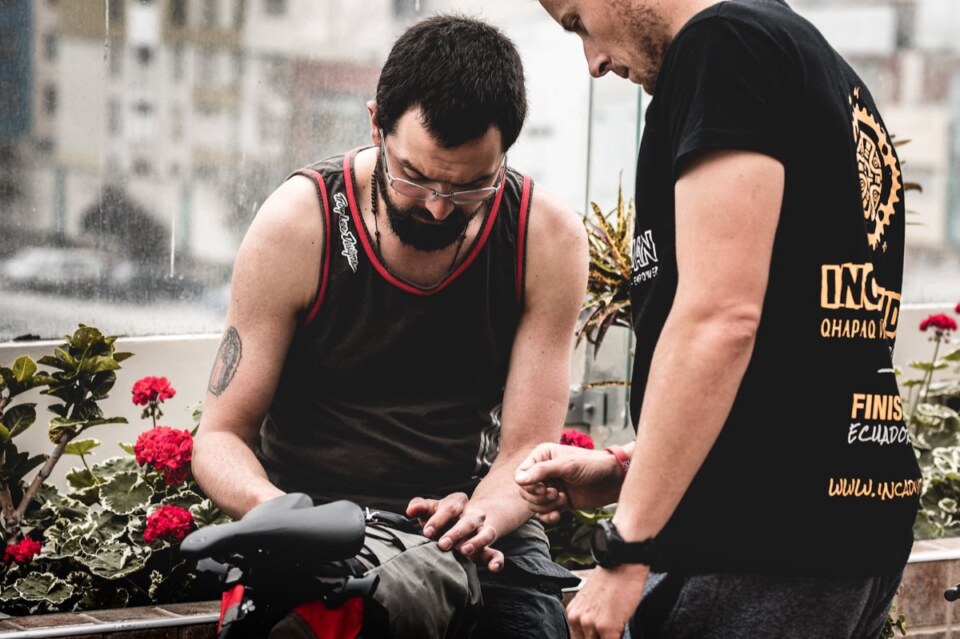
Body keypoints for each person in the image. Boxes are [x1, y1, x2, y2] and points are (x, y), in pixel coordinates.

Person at [518, 1, 920, 637]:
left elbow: (721, 320)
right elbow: (798, 350)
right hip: (847, 524)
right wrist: (626, 470)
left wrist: (626, 547)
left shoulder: (723, 48)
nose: (592, 61)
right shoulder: (801, 56)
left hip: (756, 549)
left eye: (576, 22)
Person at [192, 13, 588, 638]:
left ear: (506, 153)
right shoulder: (301, 223)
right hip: (317, 522)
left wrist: (482, 514)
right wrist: (285, 518)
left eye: (471, 187)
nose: (438, 207)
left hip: (472, 522)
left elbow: (524, 452)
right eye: (415, 176)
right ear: (376, 123)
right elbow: (219, 438)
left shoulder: (545, 237)